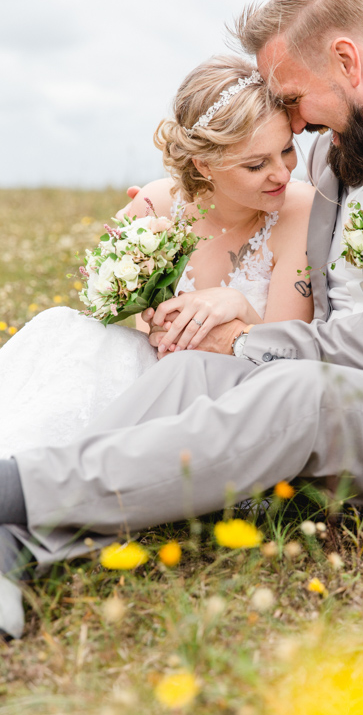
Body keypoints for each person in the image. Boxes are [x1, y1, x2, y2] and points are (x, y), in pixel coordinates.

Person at [2, 0, 363, 640]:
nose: (296, 124)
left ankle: (12, 489)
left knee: (297, 393)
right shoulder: (339, 151)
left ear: (345, 60)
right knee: (186, 373)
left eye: (292, 97)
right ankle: (19, 545)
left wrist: (245, 341)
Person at [0, 54, 314, 459]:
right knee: (62, 327)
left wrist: (239, 308)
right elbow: (113, 317)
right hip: (155, 375)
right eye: (257, 164)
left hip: (235, 399)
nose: (284, 174)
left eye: (287, 150)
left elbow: (290, 360)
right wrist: (141, 302)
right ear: (205, 165)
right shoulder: (156, 205)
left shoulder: (299, 211)